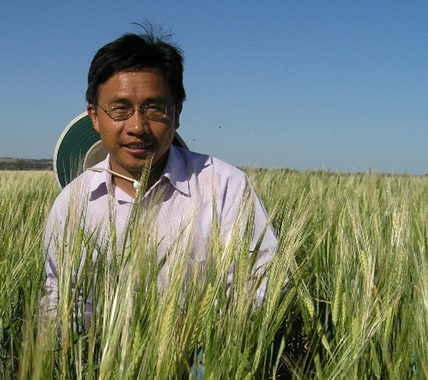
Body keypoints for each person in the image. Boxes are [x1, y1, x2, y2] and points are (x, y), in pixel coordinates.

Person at [43, 26, 277, 333]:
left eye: (155, 108)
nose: (138, 126)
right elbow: (58, 297)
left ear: (177, 113)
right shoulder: (73, 203)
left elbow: (264, 282)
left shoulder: (225, 187)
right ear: (95, 117)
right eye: (120, 109)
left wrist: (184, 337)